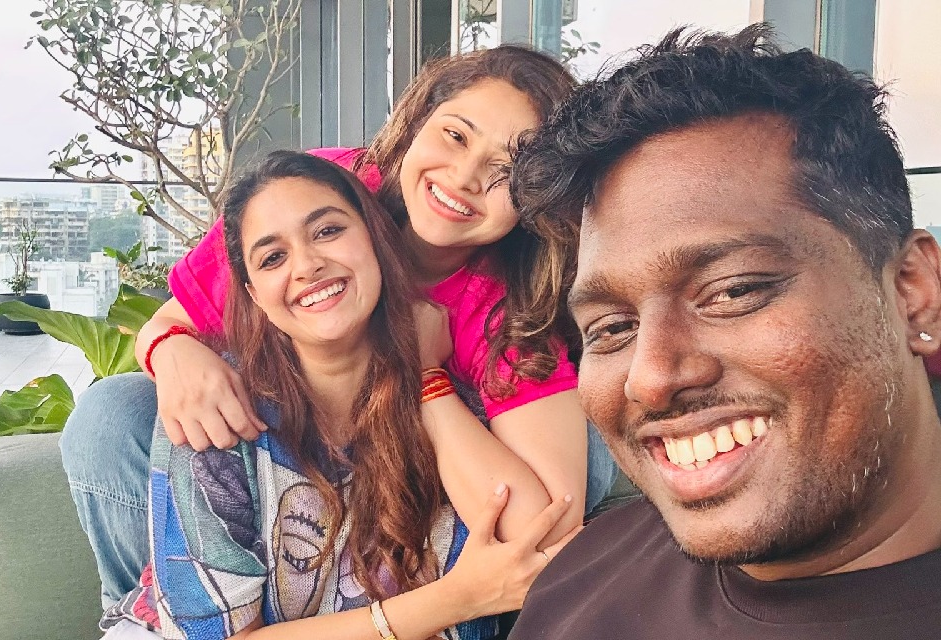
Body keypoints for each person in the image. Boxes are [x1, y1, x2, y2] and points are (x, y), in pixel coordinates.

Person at [59, 45, 617, 609]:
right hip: (283, 448)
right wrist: (174, 351)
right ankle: (155, 606)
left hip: (412, 493)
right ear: (418, 120)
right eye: (455, 135)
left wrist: (425, 375)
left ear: (540, 194)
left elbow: (546, 529)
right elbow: (169, 322)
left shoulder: (502, 303)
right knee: (113, 414)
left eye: (507, 170)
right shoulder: (314, 198)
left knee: (586, 455)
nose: (465, 177)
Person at [506, 25, 941, 639]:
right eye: (613, 327)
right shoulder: (583, 574)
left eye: (733, 291)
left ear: (913, 292)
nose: (651, 379)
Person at [100, 151, 579, 640]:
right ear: (254, 294)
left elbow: (537, 550)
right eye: (273, 258)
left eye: (328, 231)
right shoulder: (218, 411)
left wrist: (425, 382)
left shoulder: (453, 402)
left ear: (377, 242)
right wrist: (455, 599)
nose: (307, 265)